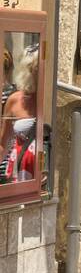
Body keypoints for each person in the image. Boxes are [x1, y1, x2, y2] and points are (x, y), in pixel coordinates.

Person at [0, 48, 39, 184]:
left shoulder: (51, 100)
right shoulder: (15, 99)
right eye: (36, 68)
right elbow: (2, 145)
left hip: (41, 174)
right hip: (20, 171)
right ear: (30, 70)